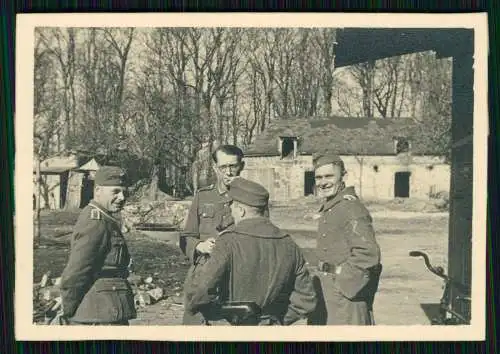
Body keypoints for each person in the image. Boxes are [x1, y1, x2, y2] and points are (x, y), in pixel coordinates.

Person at [184, 177, 318, 325]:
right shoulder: (289, 244)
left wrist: (198, 307)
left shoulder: (228, 242)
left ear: (240, 211)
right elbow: (306, 300)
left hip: (232, 325)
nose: (231, 211)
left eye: (232, 206)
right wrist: (275, 321)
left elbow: (201, 290)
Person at [307, 153, 382, 325]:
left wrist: (343, 287)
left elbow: (368, 254)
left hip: (346, 297)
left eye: (329, 176)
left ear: (344, 177)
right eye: (318, 177)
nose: (323, 182)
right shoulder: (334, 205)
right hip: (329, 292)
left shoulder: (351, 208)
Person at [59, 166, 136, 325]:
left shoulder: (106, 218)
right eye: (115, 192)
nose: (122, 197)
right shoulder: (95, 221)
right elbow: (77, 271)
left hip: (108, 310)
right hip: (97, 314)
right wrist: (68, 309)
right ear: (98, 190)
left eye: (124, 192)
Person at [179, 144, 246, 325]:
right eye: (223, 167)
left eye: (233, 166)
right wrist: (199, 246)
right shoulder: (203, 196)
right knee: (196, 324)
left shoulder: (252, 197)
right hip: (204, 274)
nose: (229, 172)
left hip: (236, 275)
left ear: (242, 166)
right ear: (215, 168)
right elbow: (186, 237)